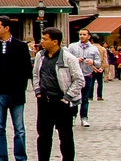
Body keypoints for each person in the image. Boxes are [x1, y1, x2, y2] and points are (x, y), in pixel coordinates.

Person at [0, 15, 33, 161]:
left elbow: (26, 71)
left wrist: (21, 86)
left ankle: (20, 157)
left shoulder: (21, 46)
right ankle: (1, 157)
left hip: (16, 93)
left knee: (19, 130)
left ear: (7, 28)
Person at [33, 27, 84, 161]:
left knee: (65, 136)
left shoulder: (68, 58)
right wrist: (38, 91)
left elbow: (79, 80)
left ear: (55, 41)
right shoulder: (40, 55)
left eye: (45, 39)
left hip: (62, 102)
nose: (41, 41)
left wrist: (67, 97)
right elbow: (35, 75)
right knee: (43, 135)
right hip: (45, 101)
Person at [66, 28, 101, 126]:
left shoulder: (94, 49)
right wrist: (75, 60)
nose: (82, 36)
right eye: (80, 34)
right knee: (74, 98)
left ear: (89, 36)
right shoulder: (72, 46)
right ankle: (73, 116)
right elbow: (66, 59)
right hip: (74, 76)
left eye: (84, 34)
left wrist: (93, 62)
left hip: (87, 76)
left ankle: (84, 118)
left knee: (85, 98)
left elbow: (99, 63)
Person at [93, 36, 107, 100]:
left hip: (91, 67)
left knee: (91, 82)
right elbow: (104, 59)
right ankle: (99, 96)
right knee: (100, 82)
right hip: (100, 67)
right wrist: (102, 67)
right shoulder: (103, 49)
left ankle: (90, 95)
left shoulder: (91, 48)